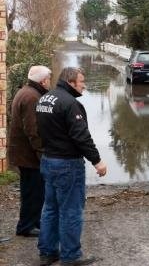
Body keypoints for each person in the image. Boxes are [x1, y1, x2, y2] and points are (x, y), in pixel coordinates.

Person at [36, 67, 107, 266]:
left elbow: (39, 129)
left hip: (48, 160)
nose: (84, 85)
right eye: (81, 81)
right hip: (67, 164)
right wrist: (97, 161)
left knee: (50, 208)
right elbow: (81, 137)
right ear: (71, 82)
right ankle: (70, 256)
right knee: (71, 210)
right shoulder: (70, 104)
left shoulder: (44, 99)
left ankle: (48, 253)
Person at [8, 65, 52, 238]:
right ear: (42, 81)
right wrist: (43, 154)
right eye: (49, 79)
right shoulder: (32, 97)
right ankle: (26, 226)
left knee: (32, 190)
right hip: (28, 155)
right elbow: (33, 130)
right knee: (33, 191)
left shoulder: (26, 91)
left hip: (23, 153)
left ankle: (32, 222)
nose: (50, 82)